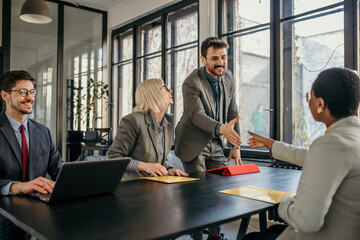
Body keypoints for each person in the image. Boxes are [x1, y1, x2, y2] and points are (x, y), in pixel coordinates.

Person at [244, 67, 360, 240]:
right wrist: (270, 144)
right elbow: (306, 155)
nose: (308, 102)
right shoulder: (351, 137)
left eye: (309, 97)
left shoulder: (331, 144)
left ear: (320, 104)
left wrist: (286, 201)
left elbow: (306, 220)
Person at [174, 37, 241, 240]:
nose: (220, 62)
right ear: (203, 59)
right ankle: (197, 238)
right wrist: (221, 129)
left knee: (218, 189)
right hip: (192, 141)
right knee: (197, 195)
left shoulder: (228, 77)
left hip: (215, 139)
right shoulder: (191, 82)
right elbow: (197, 115)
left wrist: (236, 145)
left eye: (223, 57)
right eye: (214, 58)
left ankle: (215, 236)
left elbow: (233, 112)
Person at [0, 70, 64, 239]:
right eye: (22, 92)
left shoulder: (43, 132)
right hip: (4, 215)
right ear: (5, 96)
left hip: (40, 214)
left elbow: (59, 169)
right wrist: (19, 186)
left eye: (32, 91)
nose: (29, 97)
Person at [107, 78, 188, 181]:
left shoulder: (168, 121)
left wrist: (169, 169)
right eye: (165, 88)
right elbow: (114, 156)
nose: (170, 90)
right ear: (154, 94)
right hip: (131, 185)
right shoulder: (132, 120)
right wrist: (145, 166)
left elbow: (159, 157)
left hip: (156, 185)